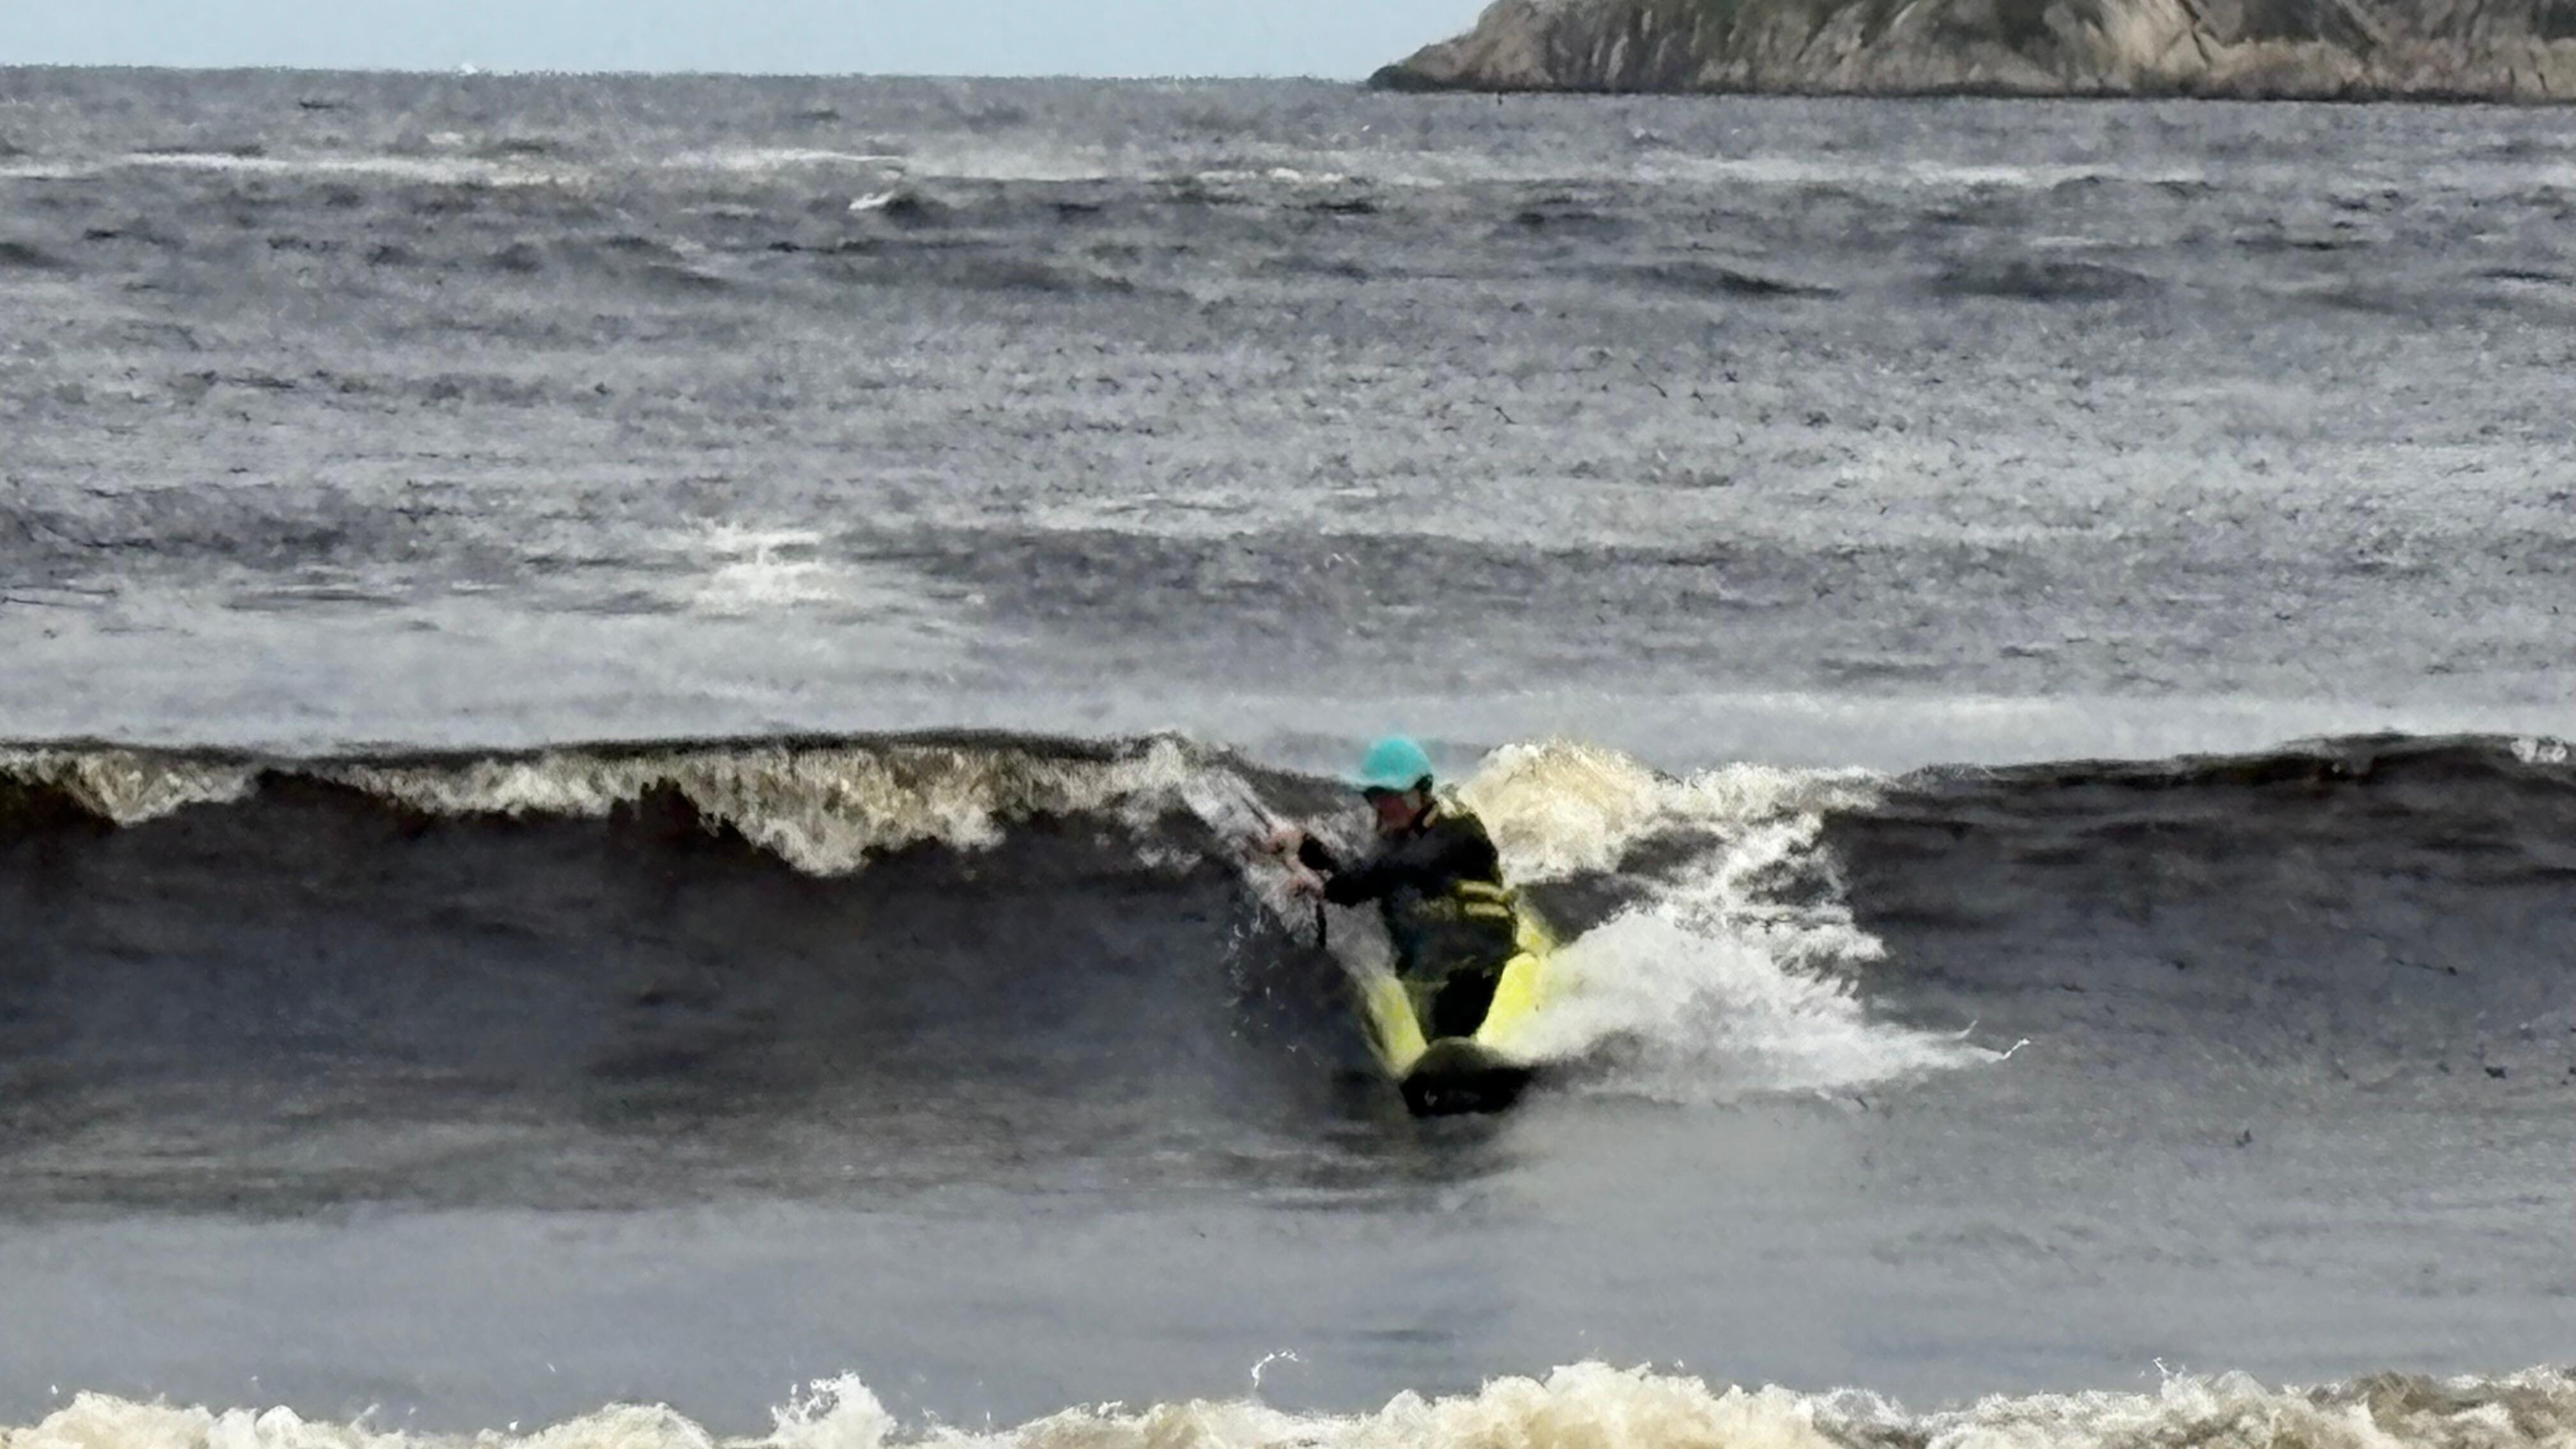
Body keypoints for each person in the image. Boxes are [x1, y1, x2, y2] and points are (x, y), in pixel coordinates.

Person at [1264, 736, 1526, 1041]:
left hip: (1482, 971)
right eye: (1374, 795)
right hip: (1433, 978)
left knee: (1451, 1030)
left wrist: (1328, 889)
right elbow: (1362, 875)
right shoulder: (1394, 845)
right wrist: (1305, 846)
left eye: (1391, 794)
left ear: (1420, 791)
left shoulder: (1460, 832)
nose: (1381, 804)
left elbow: (1401, 867)